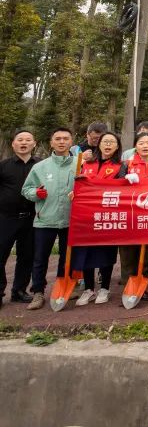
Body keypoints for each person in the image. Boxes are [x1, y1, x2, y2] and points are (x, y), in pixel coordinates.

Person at [21, 127, 76, 310]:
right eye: (57, 138)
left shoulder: (80, 164)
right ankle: (38, 292)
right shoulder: (40, 167)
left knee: (66, 256)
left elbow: (90, 187)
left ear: (71, 141)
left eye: (65, 138)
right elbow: (26, 190)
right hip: (45, 218)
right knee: (40, 258)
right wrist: (36, 193)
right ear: (51, 142)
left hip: (72, 219)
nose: (61, 142)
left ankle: (63, 287)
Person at [73, 131, 122, 306]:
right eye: (105, 141)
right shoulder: (85, 163)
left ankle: (105, 288)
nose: (108, 145)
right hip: (86, 215)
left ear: (117, 146)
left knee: (106, 251)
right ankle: (88, 289)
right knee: (86, 251)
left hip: (108, 214)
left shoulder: (121, 166)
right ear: (99, 144)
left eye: (112, 142)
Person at [116, 131, 148, 302]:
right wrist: (125, 180)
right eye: (141, 143)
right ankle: (128, 282)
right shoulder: (127, 164)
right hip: (130, 214)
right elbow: (117, 186)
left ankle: (142, 283)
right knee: (129, 249)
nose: (145, 146)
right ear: (135, 146)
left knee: (147, 250)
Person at [0, 129, 39, 308]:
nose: (24, 143)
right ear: (13, 144)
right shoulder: (4, 165)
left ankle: (19, 291)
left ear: (34, 144)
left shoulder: (41, 165)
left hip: (32, 218)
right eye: (20, 140)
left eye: (28, 140)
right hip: (6, 218)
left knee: (27, 255)